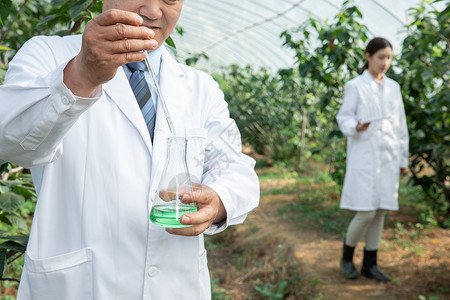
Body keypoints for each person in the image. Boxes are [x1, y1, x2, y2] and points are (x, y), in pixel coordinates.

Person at [0, 1, 259, 299]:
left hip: (177, 287)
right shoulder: (46, 55)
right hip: (79, 288)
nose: (153, 11)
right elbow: (13, 143)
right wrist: (81, 74)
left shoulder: (201, 87)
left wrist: (218, 200)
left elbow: (235, 168)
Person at [336, 37, 409, 282]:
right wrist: (356, 126)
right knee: (365, 212)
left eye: (388, 57)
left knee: (380, 212)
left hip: (388, 158)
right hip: (365, 158)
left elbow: (401, 125)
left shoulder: (394, 88)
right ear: (368, 56)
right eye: (380, 57)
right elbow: (343, 118)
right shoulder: (355, 86)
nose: (385, 62)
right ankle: (347, 258)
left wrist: (402, 159)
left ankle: (370, 263)